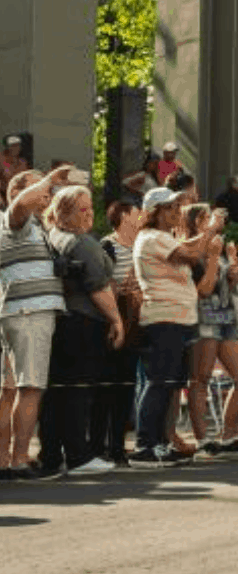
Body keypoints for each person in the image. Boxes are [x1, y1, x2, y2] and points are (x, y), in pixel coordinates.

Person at [131, 186, 223, 468]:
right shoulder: (151, 237)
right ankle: (145, 445)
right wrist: (210, 230)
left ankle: (160, 442)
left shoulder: (162, 237)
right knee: (160, 382)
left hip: (178, 318)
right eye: (169, 208)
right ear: (154, 212)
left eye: (175, 207)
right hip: (164, 318)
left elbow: (189, 250)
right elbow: (192, 253)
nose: (175, 213)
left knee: (170, 384)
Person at [39, 186, 124, 475]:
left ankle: (51, 456)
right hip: (83, 321)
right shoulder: (81, 243)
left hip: (62, 322)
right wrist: (117, 320)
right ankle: (78, 455)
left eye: (90, 208)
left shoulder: (52, 236)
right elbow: (98, 287)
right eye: (82, 209)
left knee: (58, 392)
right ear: (63, 213)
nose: (89, 214)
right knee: (78, 391)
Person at [0, 165, 72, 479]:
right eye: (40, 189)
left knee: (10, 390)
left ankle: (5, 460)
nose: (47, 194)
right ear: (16, 191)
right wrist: (48, 179)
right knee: (31, 388)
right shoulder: (16, 220)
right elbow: (18, 206)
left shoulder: (32, 225)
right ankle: (18, 460)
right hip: (29, 313)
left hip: (19, 311)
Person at [183, 204, 238, 457]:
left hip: (227, 315)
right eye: (205, 218)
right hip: (204, 316)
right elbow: (203, 288)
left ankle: (228, 435)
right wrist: (214, 256)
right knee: (200, 378)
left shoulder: (216, 245)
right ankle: (203, 439)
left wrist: (232, 265)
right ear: (194, 223)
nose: (213, 222)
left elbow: (226, 282)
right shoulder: (192, 249)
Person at [98, 200, 142, 465]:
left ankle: (118, 445)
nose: (141, 217)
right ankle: (102, 445)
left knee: (127, 387)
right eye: (136, 213)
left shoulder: (140, 245)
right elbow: (105, 286)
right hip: (114, 322)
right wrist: (125, 288)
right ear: (124, 216)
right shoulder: (107, 246)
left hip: (137, 323)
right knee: (109, 388)